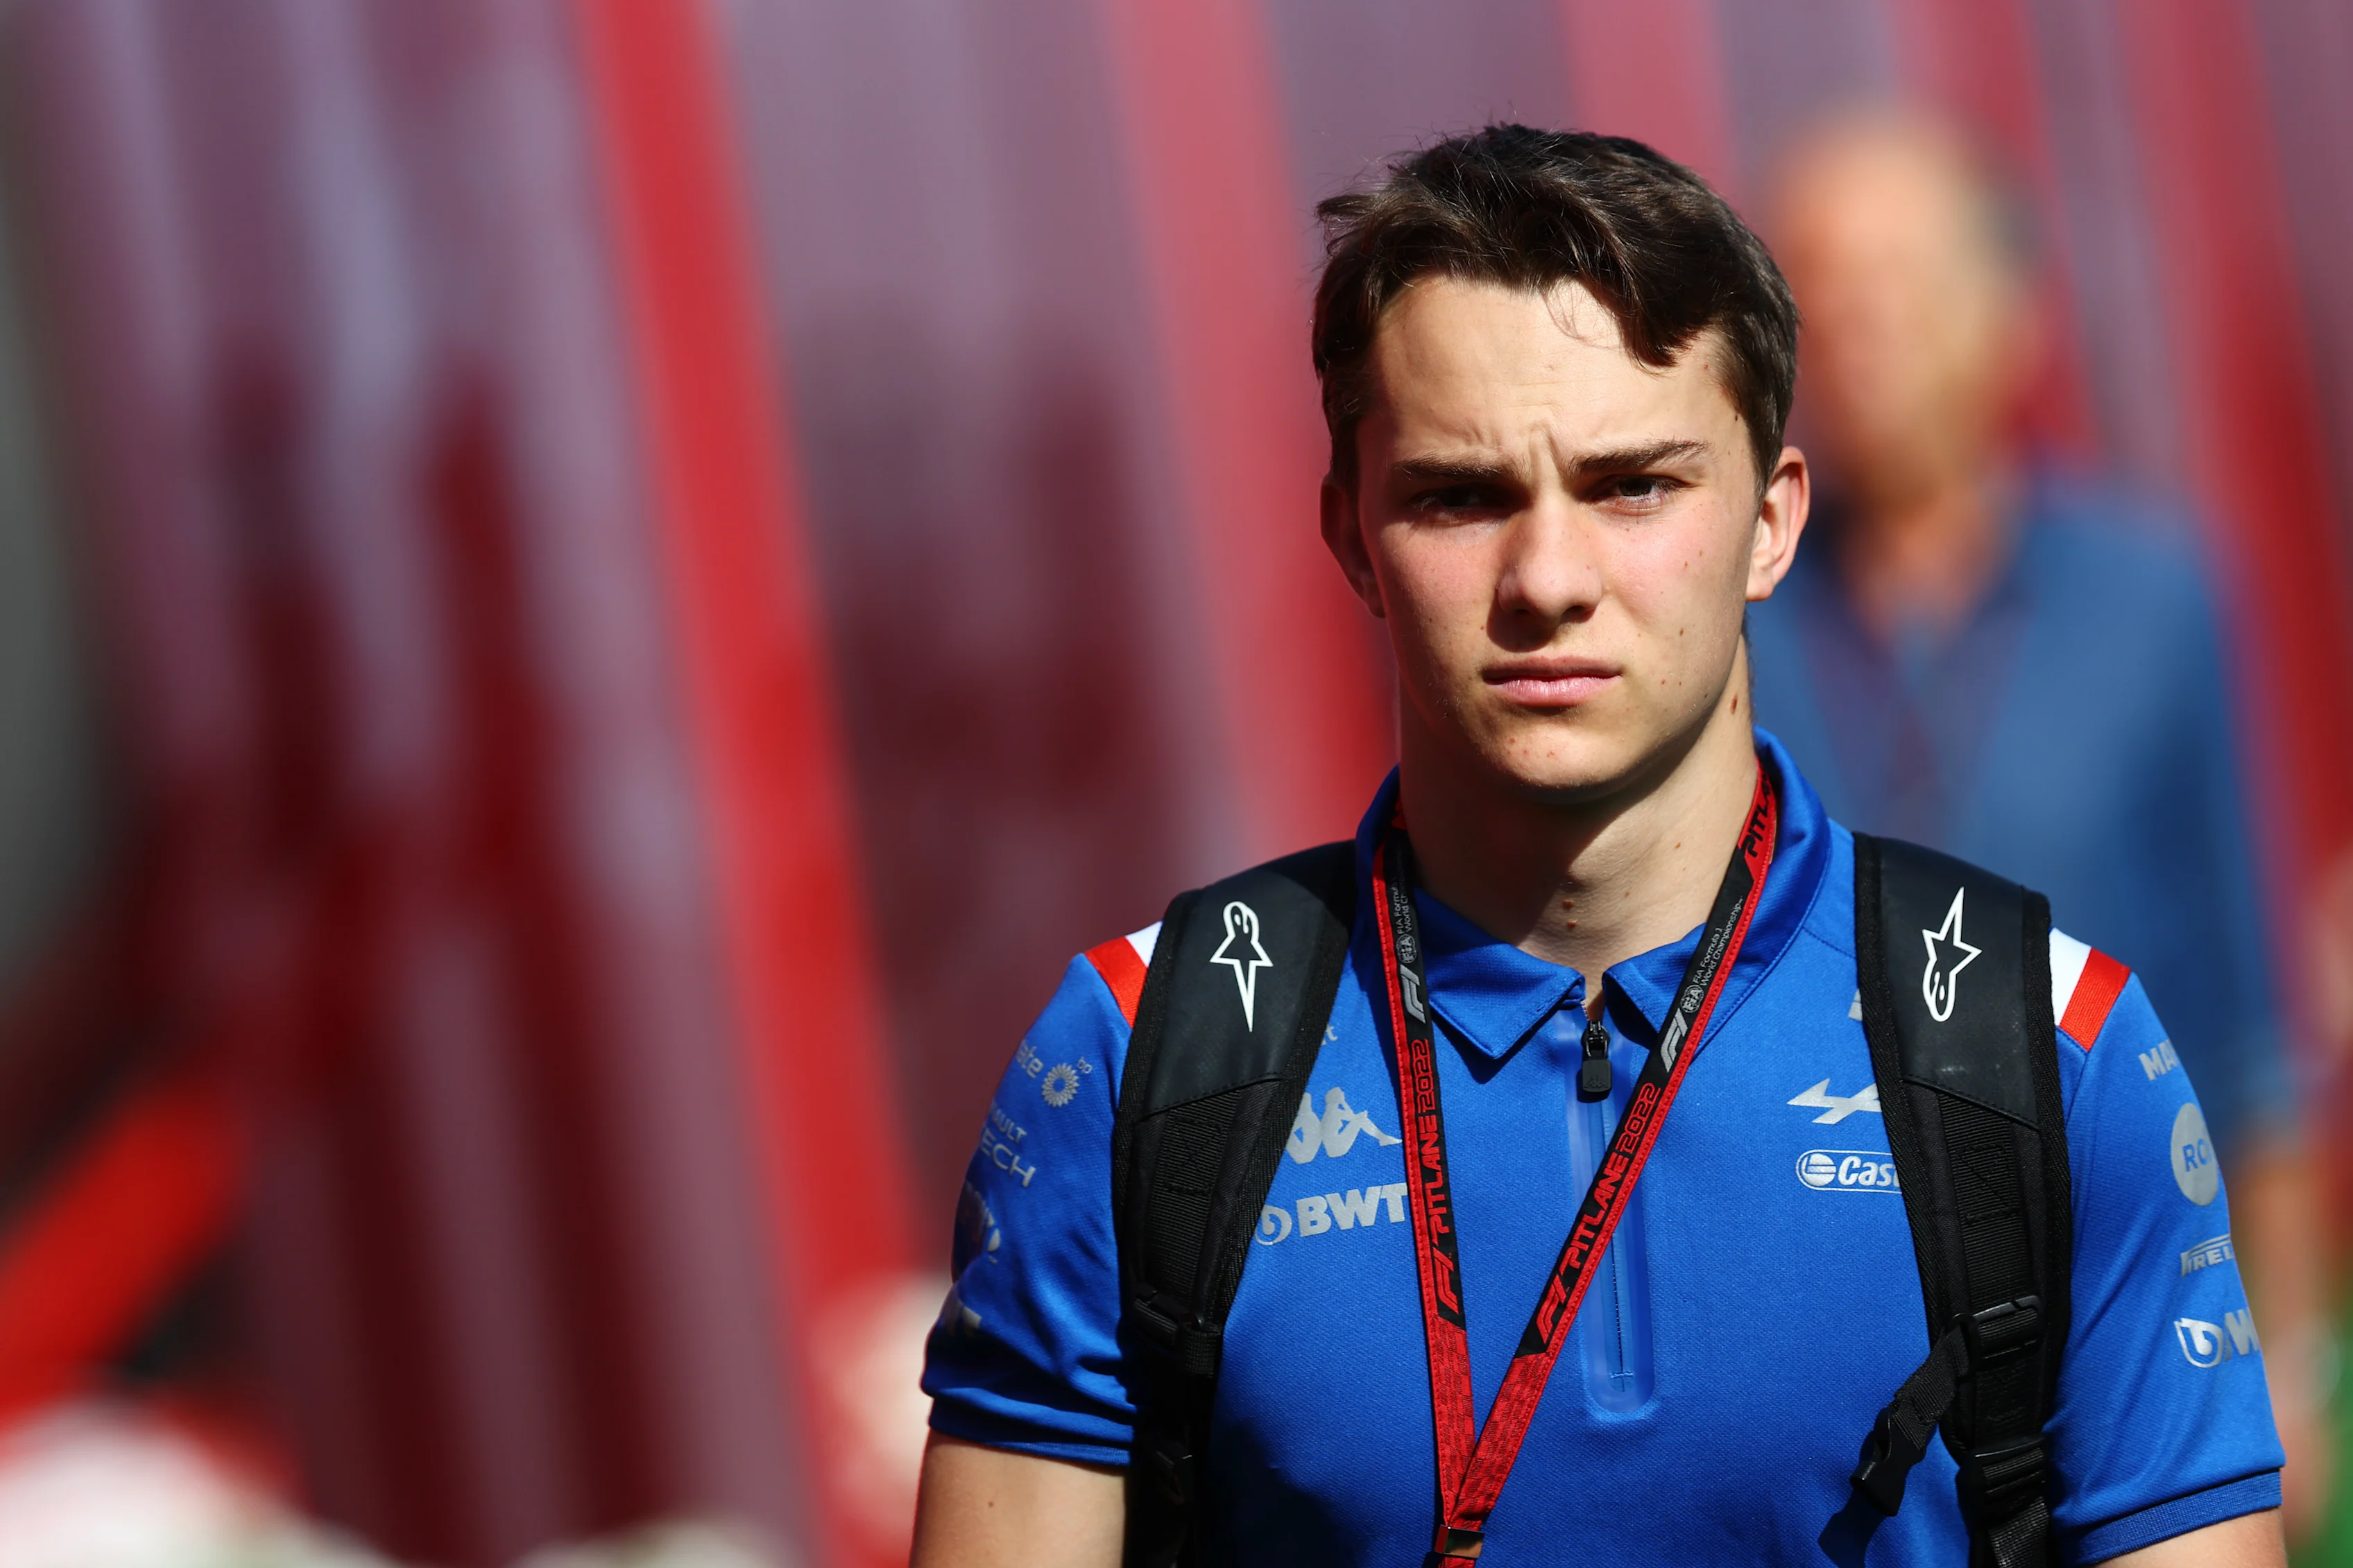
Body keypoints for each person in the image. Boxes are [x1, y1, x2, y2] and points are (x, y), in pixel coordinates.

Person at [912, 126, 2285, 1565]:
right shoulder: (1144, 1062)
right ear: (1349, 535)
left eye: (1633, 486)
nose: (1548, 580)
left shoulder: (2047, 1052)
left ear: (1769, 524)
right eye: (1459, 495)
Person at [1752, 108, 2333, 1538]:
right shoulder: (1729, 625)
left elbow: (2244, 1015)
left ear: (2011, 318)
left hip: (2112, 1314)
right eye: (1820, 295)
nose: (1857, 330)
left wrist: (2291, 1358)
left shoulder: (2152, 602)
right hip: (1815, 1354)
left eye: (1897, 286)